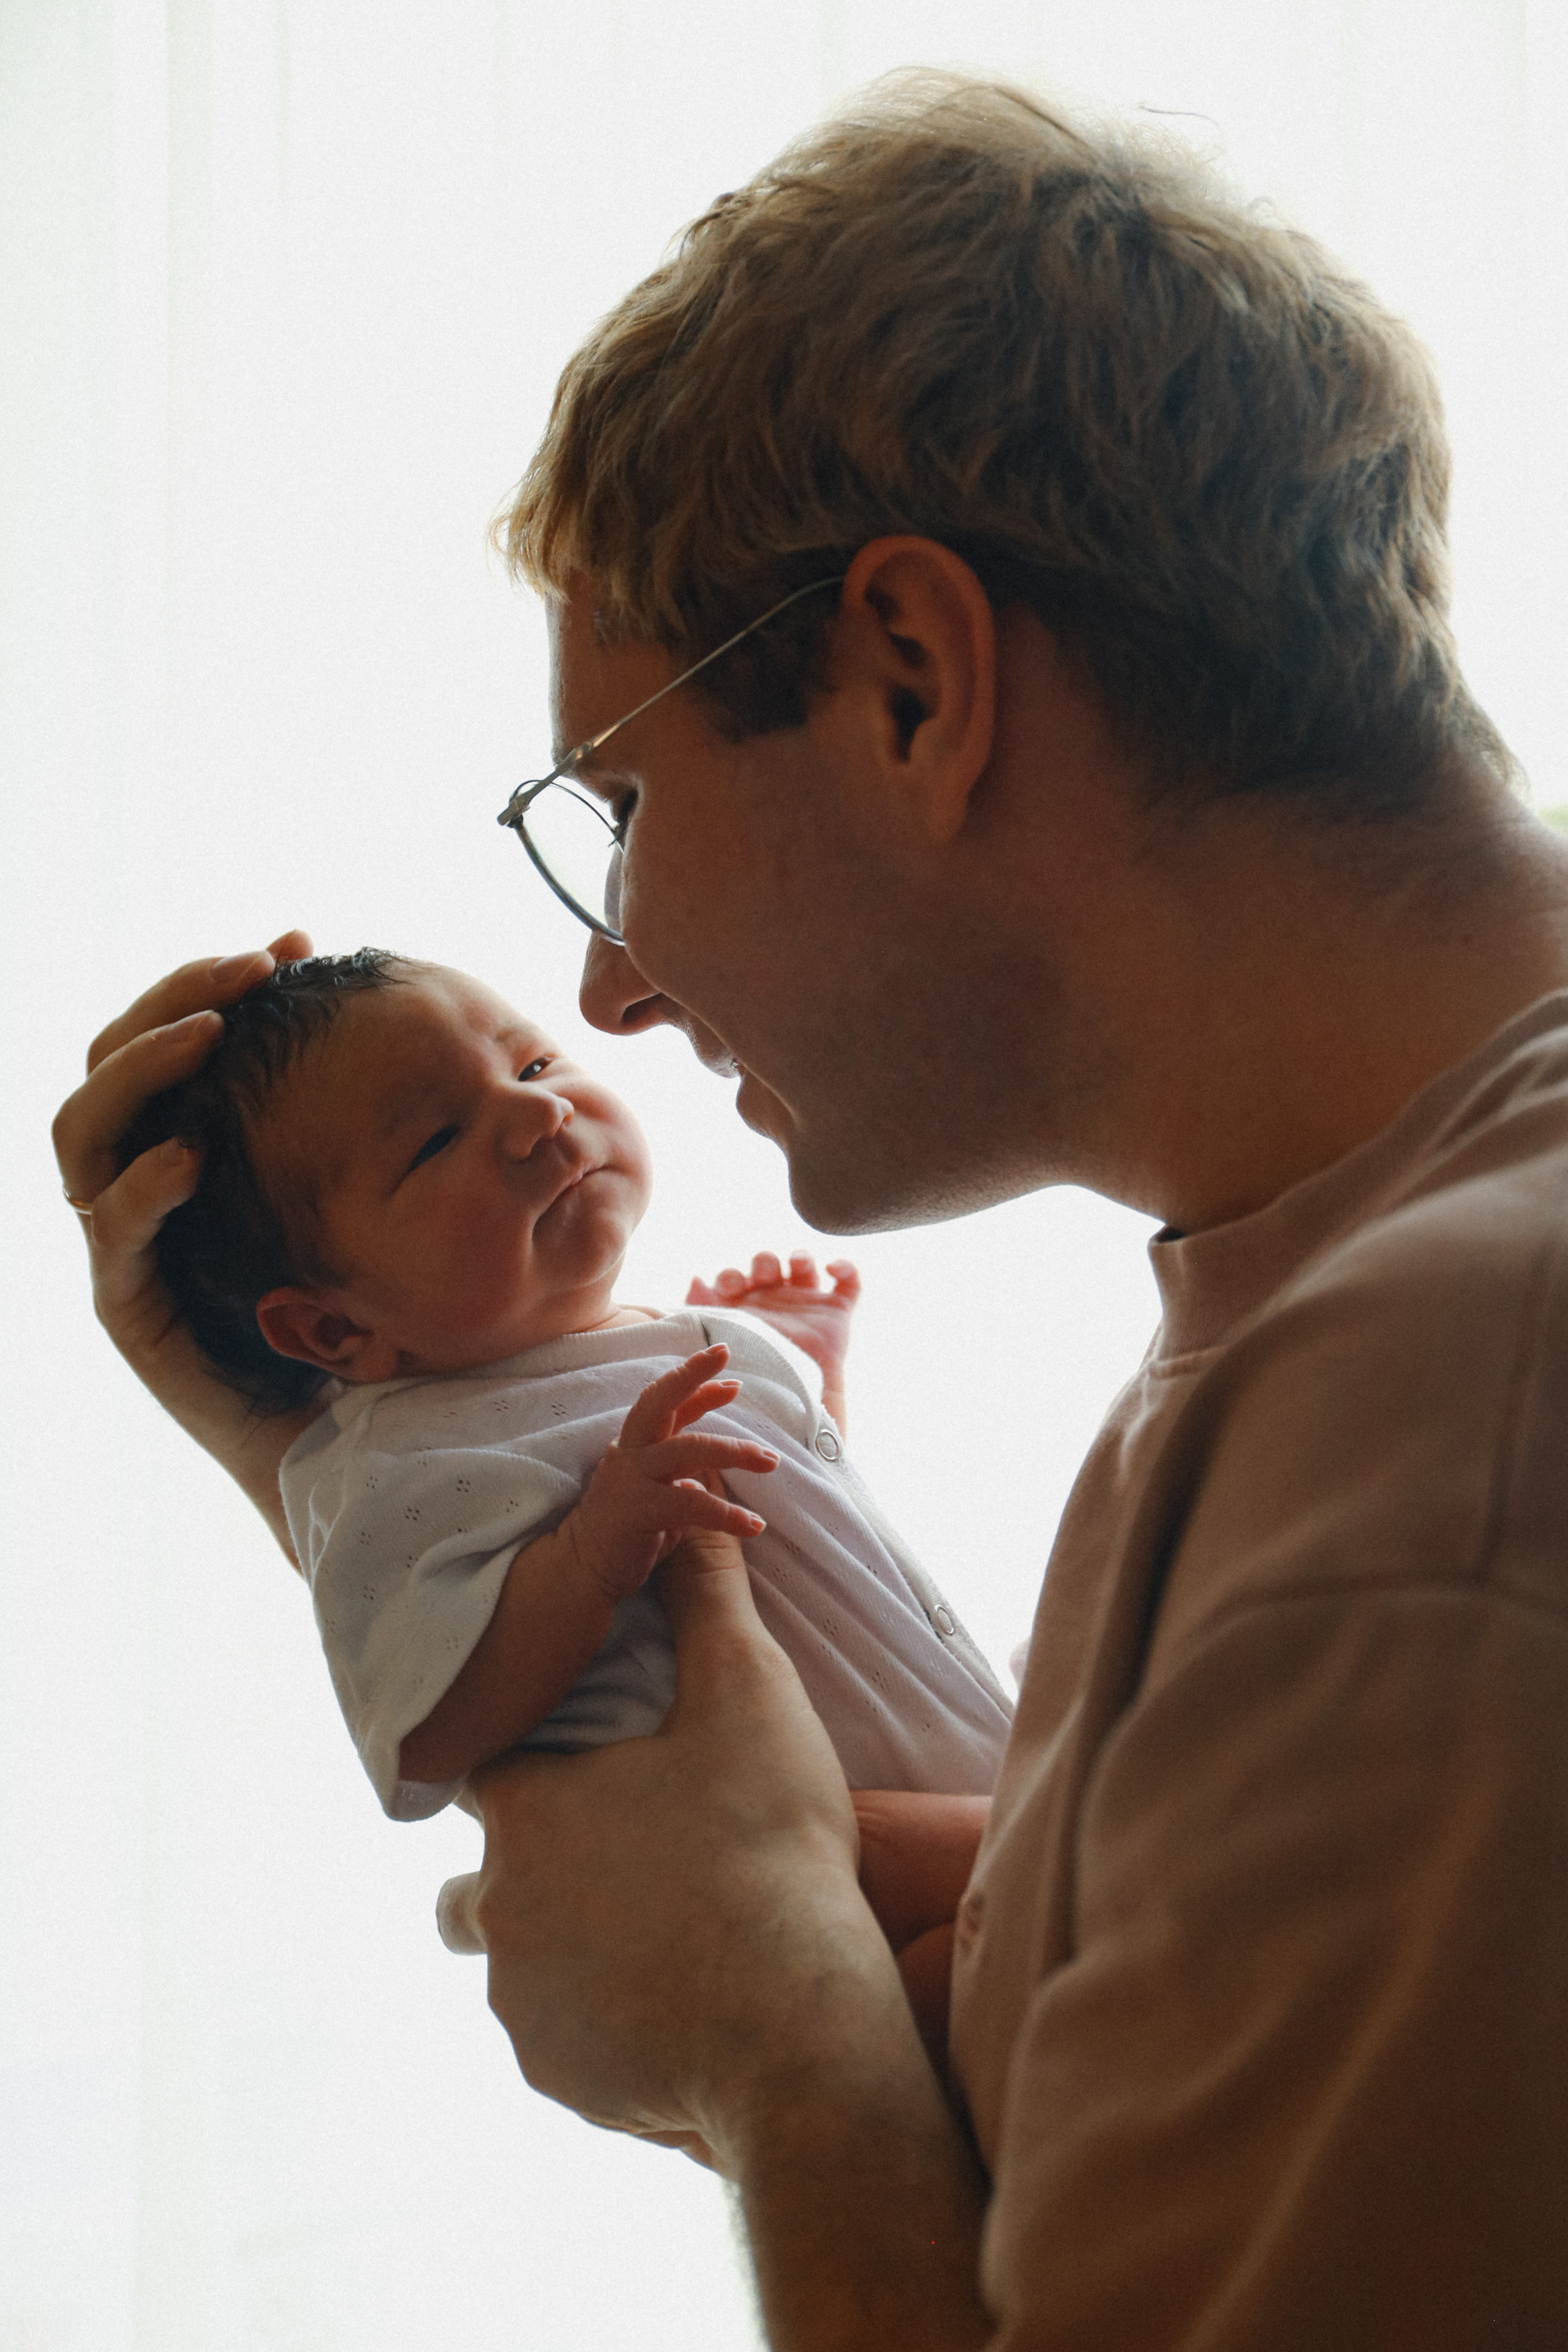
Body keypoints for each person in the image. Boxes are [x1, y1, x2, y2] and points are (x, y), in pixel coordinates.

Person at [55, 71, 1568, 2352]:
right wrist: (320, 1458)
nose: (610, 986)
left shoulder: (1430, 1436)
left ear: (912, 681)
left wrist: (770, 2041)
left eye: (624, 803)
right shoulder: (1351, 1291)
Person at [121, 947, 1008, 1855]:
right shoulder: (399, 1465)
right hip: (800, 1869)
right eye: (435, 1139)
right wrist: (586, 1556)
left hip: (970, 1771)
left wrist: (799, 1389)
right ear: (334, 1333)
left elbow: (787, 1543)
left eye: (534, 1064)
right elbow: (419, 1736)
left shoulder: (656, 1345)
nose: (538, 1111)